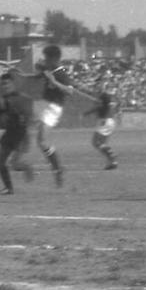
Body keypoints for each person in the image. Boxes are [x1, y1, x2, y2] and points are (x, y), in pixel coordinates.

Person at [31, 44, 95, 186]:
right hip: (43, 104)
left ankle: (58, 168)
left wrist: (53, 81)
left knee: (42, 141)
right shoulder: (49, 69)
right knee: (40, 141)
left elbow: (70, 91)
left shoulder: (61, 73)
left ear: (54, 58)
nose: (45, 60)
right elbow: (38, 72)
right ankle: (57, 168)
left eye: (47, 58)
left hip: (52, 108)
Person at [91, 89, 119, 170]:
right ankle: (112, 162)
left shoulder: (103, 101)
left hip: (104, 121)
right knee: (103, 143)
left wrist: (85, 113)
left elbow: (96, 109)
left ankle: (111, 155)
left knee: (96, 142)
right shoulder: (110, 102)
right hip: (111, 122)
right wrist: (98, 102)